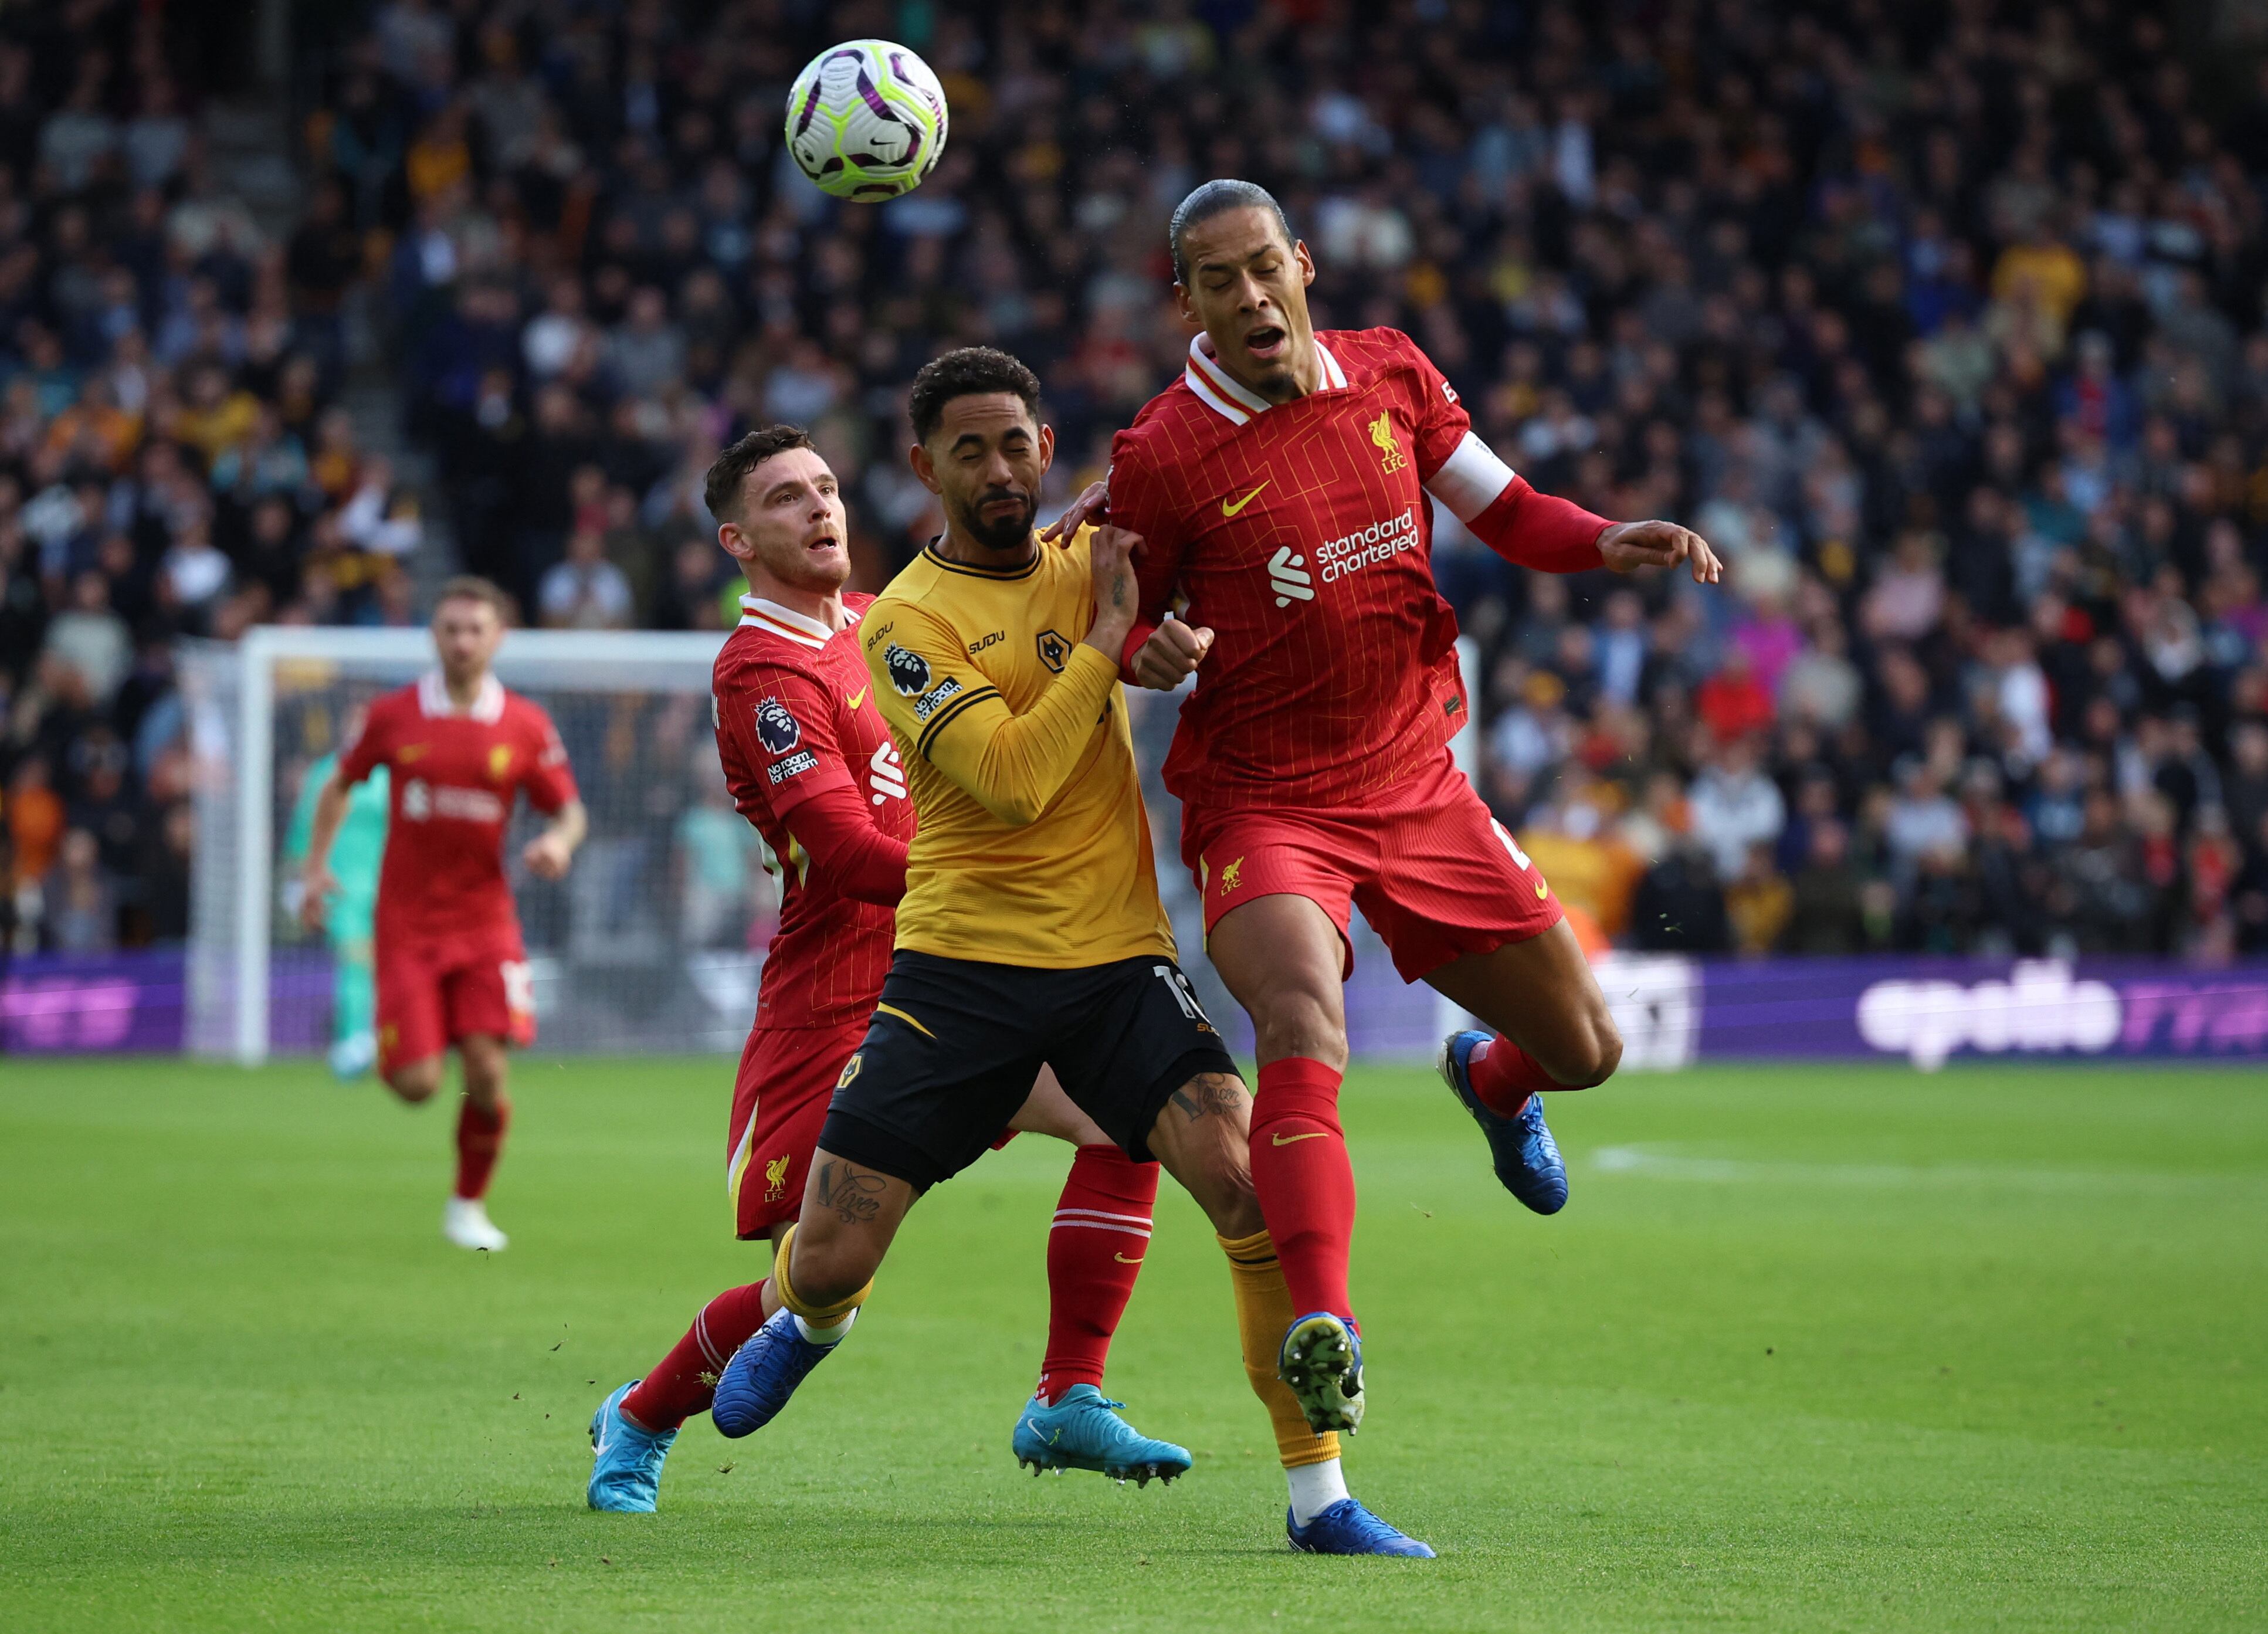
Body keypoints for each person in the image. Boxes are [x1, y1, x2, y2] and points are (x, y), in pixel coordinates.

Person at [711, 350, 1431, 1556]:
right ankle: (806, 1319)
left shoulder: (1094, 564)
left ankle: (1319, 1498)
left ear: (1047, 452)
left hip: (1114, 964)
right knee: (831, 1257)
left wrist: (1161, 642)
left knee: (1247, 1187)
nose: (996, 469)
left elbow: (1202, 552)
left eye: (1014, 445)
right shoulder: (904, 620)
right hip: (958, 974)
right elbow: (1004, 777)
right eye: (968, 450)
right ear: (924, 468)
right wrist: (1108, 639)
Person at [1046, 180, 1721, 1436]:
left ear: (1302, 263)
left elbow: (1505, 508)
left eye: (1264, 267)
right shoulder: (1161, 454)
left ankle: (1496, 1080)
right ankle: (1324, 1323)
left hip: (1416, 783)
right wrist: (1143, 648)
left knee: (1588, 1051)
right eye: (1217, 279)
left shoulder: (1391, 374)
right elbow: (1111, 608)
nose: (1249, 296)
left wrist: (1602, 536)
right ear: (1180, 298)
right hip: (1265, 805)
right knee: (1304, 1017)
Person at [586, 424, 1188, 1514]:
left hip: (958, 974)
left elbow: (1010, 581)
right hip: (835, 1005)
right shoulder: (759, 675)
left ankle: (1068, 1392)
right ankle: (638, 1417)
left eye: (824, 487)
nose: (819, 509)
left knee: (1125, 1120)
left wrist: (1085, 516)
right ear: (737, 538)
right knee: (822, 1284)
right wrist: (1001, 870)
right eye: (784, 499)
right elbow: (858, 858)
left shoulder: (883, 624)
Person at [299, 577, 587, 1252]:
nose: (462, 641)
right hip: (407, 927)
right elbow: (340, 782)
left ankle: (468, 1205)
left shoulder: (525, 724)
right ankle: (397, 1040)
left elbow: (569, 808)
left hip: (487, 923)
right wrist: (315, 867)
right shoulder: (396, 714)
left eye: (474, 629)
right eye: (451, 628)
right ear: (434, 635)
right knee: (419, 1085)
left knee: (488, 1072)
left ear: (497, 637)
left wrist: (557, 841)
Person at [282, 710, 388, 1079]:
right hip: (340, 884)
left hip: (390, 885)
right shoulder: (326, 774)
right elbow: (302, 831)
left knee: (384, 964)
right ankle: (353, 1040)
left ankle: (378, 1038)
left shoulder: (393, 776)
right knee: (356, 959)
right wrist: (302, 876)